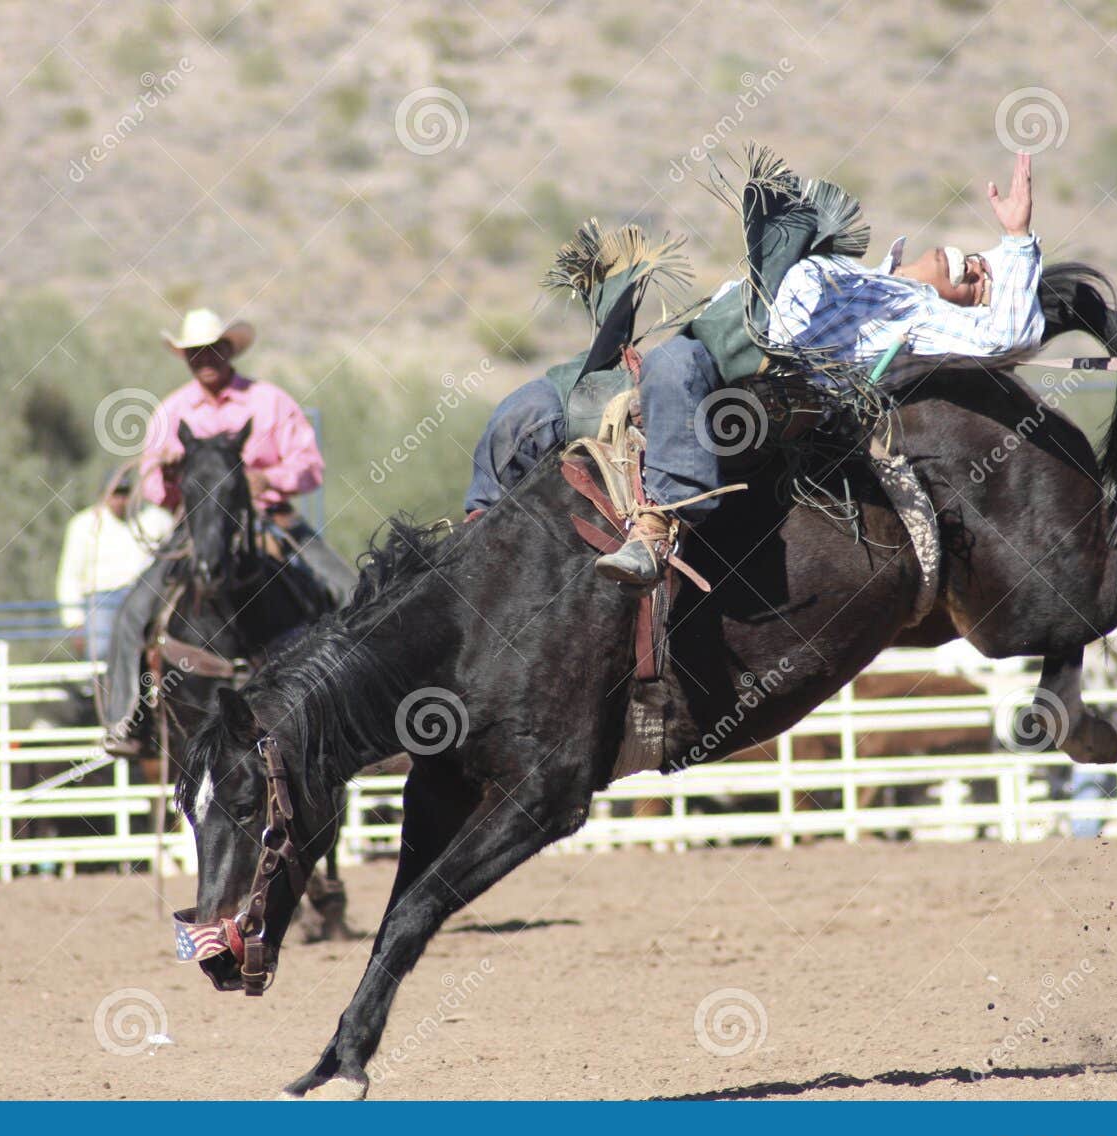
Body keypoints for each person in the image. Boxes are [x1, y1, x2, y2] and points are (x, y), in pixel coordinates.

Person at [467, 151, 1045, 586]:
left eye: (979, 280)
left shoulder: (916, 317)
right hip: (696, 351)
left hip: (763, 382)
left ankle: (657, 530)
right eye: (976, 258)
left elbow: (1011, 334)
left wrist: (1016, 238)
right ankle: (472, 543)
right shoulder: (860, 273)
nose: (970, 265)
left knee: (674, 362)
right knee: (532, 407)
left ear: (966, 305)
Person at [101, 308, 355, 755]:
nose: (204, 359)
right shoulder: (172, 411)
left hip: (271, 520)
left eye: (212, 350)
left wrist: (268, 478)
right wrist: (170, 474)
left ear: (228, 350)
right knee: (131, 613)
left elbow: (310, 467)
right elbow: (154, 487)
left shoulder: (270, 402)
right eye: (194, 352)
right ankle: (127, 720)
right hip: (196, 529)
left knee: (351, 594)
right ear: (185, 358)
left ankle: (362, 714)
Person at [55, 470, 173, 662]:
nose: (121, 500)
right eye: (116, 494)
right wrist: (74, 622)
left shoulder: (156, 520)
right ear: (105, 496)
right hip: (102, 598)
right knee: (102, 651)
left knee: (153, 651)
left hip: (146, 595)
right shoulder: (84, 525)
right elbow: (70, 576)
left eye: (125, 493)